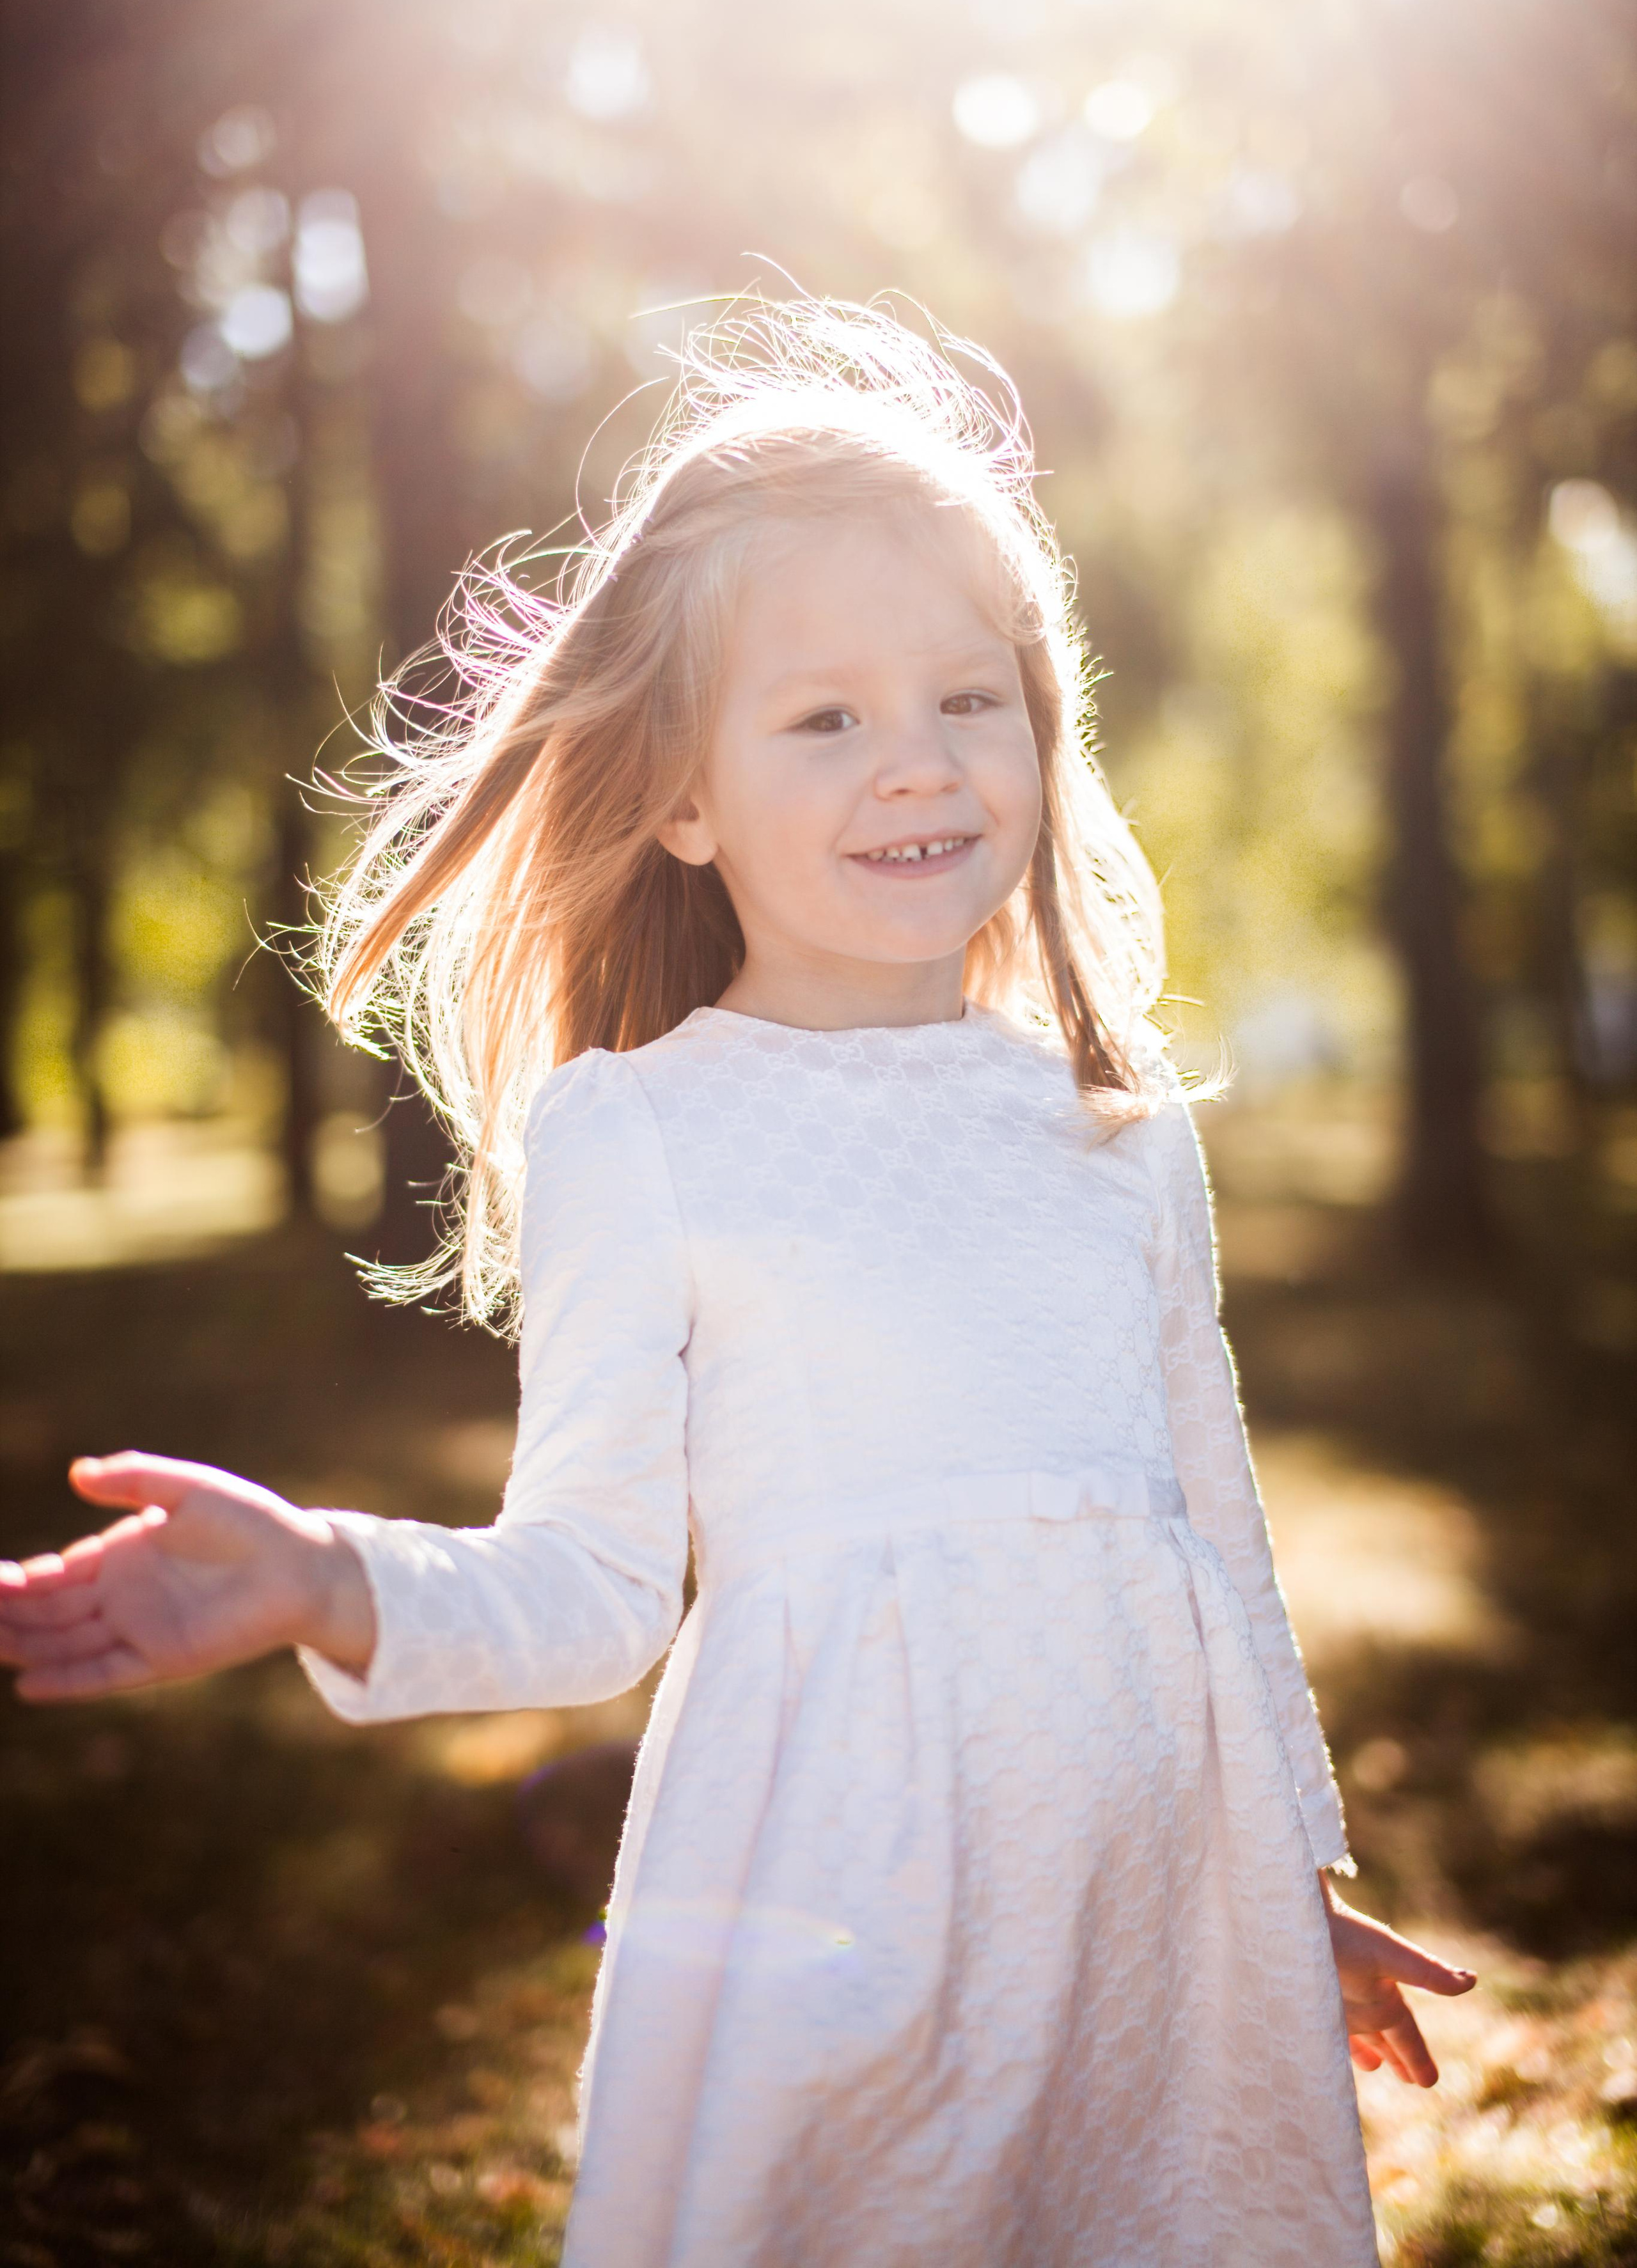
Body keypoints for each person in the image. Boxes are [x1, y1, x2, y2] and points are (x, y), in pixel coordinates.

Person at [1, 296, 1473, 2267]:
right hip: (838, 1916)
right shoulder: (647, 1135)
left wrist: (1287, 1877)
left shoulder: (1119, 1136)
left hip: (1152, 1930)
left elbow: (1216, 1531)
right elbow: (596, 1587)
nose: (919, 764)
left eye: (973, 696)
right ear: (683, 799)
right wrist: (326, 1577)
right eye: (825, 717)